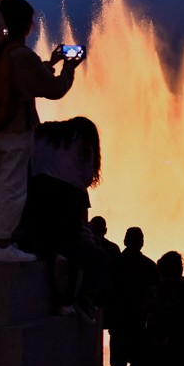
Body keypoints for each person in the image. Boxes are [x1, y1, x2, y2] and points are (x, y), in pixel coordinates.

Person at [0, 0, 83, 262]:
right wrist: (68, 70)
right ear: (27, 26)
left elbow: (25, 80)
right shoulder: (22, 55)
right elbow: (53, 90)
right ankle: (2, 245)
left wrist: (49, 63)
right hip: (16, 129)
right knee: (13, 187)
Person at [23, 117, 107, 319]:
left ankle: (52, 256)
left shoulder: (43, 133)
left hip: (37, 190)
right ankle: (71, 301)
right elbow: (86, 175)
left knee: (46, 240)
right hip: (69, 193)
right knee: (72, 248)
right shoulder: (82, 135)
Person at [107, 226, 157, 366]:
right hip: (139, 326)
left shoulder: (115, 265)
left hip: (119, 326)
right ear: (141, 242)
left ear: (125, 241)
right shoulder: (149, 267)